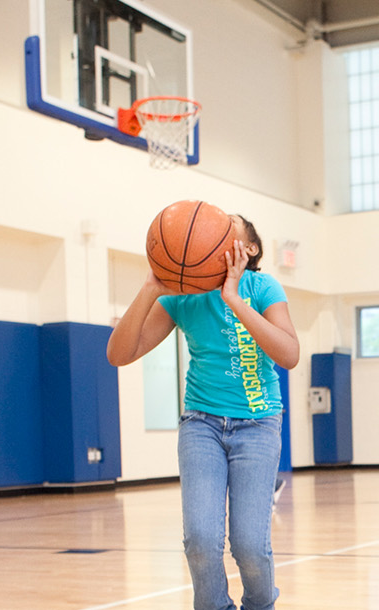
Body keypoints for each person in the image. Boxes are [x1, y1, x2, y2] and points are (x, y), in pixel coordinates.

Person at [106, 212, 299, 610]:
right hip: (202, 425)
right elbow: (118, 354)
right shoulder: (183, 298)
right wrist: (150, 288)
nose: (216, 231)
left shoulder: (263, 286)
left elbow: (289, 354)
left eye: (229, 229)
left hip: (258, 424)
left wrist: (234, 299)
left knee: (248, 543)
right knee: (200, 540)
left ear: (250, 248)